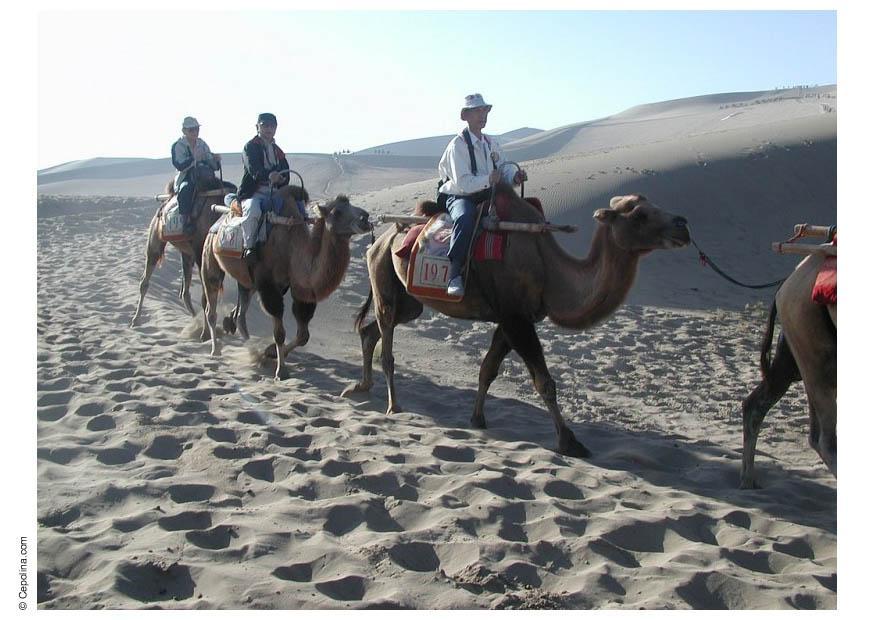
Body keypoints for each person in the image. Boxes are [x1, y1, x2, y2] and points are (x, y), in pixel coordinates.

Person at [437, 94, 527, 296]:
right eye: (477, 111)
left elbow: (503, 168)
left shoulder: (491, 142)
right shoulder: (457, 146)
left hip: (487, 192)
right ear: (466, 115)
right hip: (461, 195)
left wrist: (515, 177)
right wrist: (489, 179)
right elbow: (464, 183)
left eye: (484, 111)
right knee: (465, 217)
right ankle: (454, 273)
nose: (482, 115)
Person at [237, 112, 292, 264]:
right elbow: (254, 169)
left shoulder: (278, 151)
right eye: (265, 125)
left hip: (275, 192)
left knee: (296, 208)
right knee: (253, 209)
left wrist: (282, 178)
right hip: (254, 192)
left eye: (272, 126)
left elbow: (286, 171)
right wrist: (269, 175)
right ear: (258, 127)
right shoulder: (250, 147)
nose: (268, 129)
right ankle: (250, 247)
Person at [171, 116, 222, 232]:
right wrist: (193, 159)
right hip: (188, 177)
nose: (195, 132)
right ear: (184, 131)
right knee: (185, 190)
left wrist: (215, 159)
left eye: (196, 129)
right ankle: (186, 222)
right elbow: (179, 165)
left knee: (229, 188)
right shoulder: (179, 146)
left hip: (205, 177)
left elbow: (212, 163)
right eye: (191, 130)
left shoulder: (202, 144)